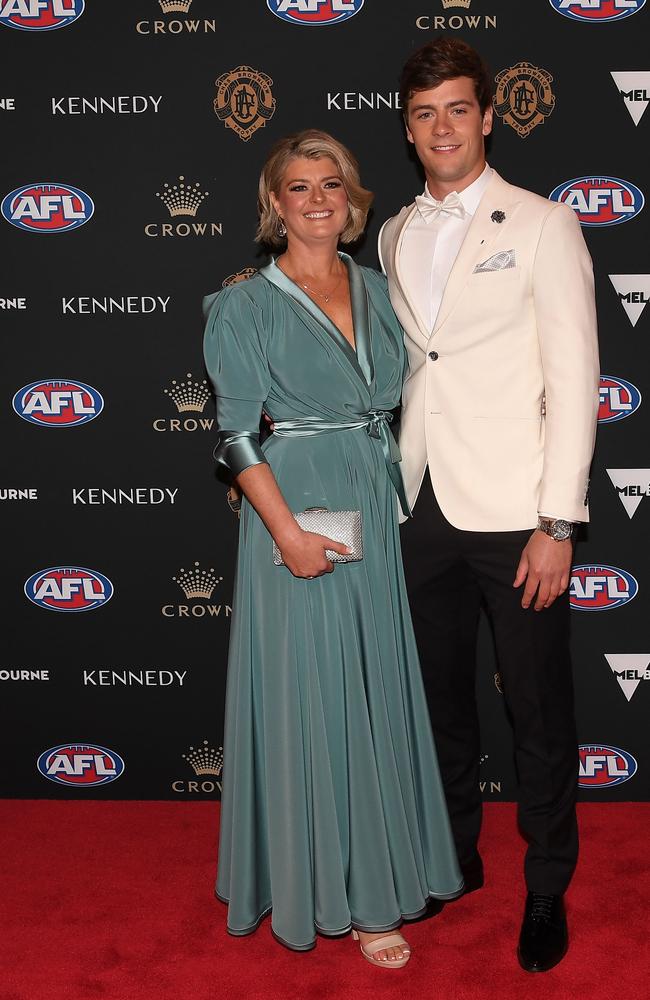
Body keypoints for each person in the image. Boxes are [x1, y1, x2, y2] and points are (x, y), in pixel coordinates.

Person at [203, 130, 463, 967]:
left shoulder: (381, 290)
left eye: (332, 185)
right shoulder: (241, 306)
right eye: (298, 187)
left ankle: (379, 872)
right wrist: (287, 533)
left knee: (372, 690)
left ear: (354, 200)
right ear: (274, 203)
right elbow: (237, 439)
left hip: (374, 503)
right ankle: (336, 893)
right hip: (296, 510)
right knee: (315, 697)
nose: (317, 199)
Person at [378, 38, 599, 973]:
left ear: (488, 116)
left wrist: (559, 522)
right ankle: (452, 862)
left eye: (458, 109)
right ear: (409, 125)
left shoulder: (545, 224)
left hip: (517, 510)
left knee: (538, 712)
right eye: (425, 112)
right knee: (438, 705)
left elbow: (577, 377)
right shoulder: (389, 233)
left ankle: (547, 887)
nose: (443, 127)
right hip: (417, 501)